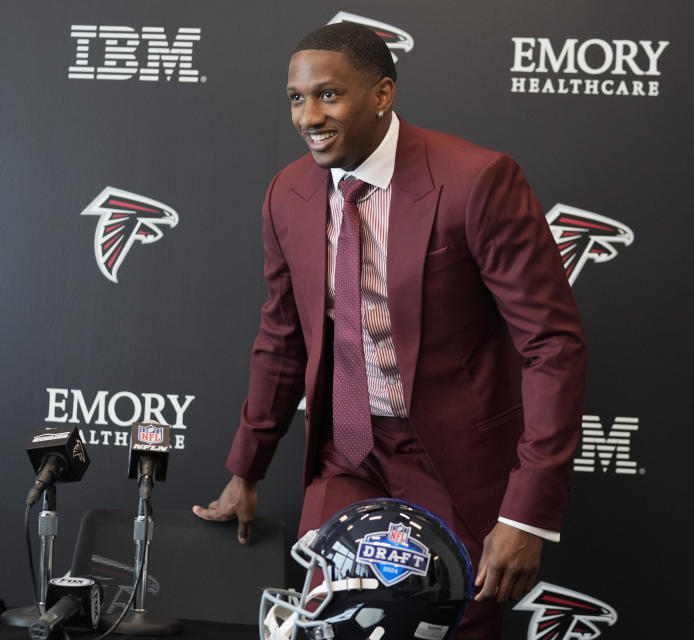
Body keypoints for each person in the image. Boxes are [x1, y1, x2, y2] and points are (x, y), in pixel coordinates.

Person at [194, 21, 587, 638]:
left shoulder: (476, 181)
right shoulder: (288, 193)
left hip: (452, 461)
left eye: (329, 94)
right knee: (329, 622)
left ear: (382, 94)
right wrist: (248, 469)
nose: (308, 115)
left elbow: (551, 346)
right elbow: (282, 336)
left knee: (448, 625)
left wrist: (528, 514)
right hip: (347, 453)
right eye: (297, 97)